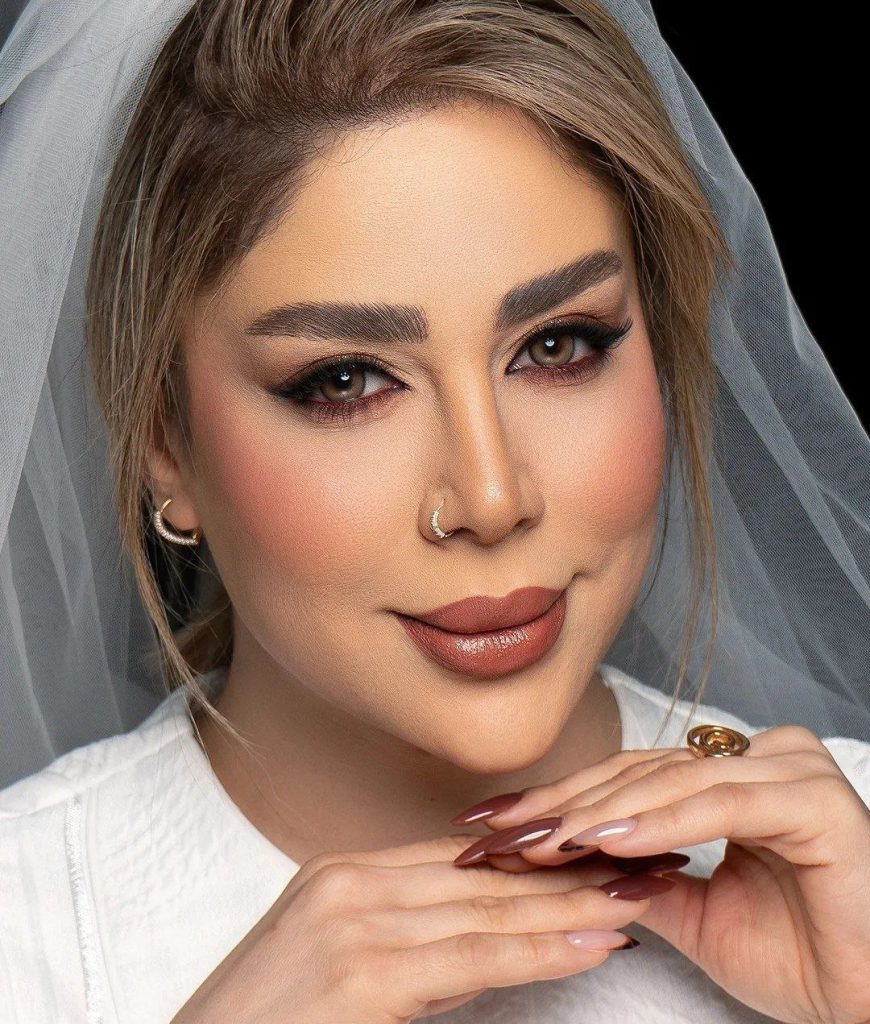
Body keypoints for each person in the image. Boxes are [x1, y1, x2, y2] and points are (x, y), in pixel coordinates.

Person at [1, 1, 868, 1022]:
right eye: (345, 381)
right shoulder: (25, 933)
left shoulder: (848, 861)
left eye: (558, 346)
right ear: (164, 442)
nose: (492, 499)